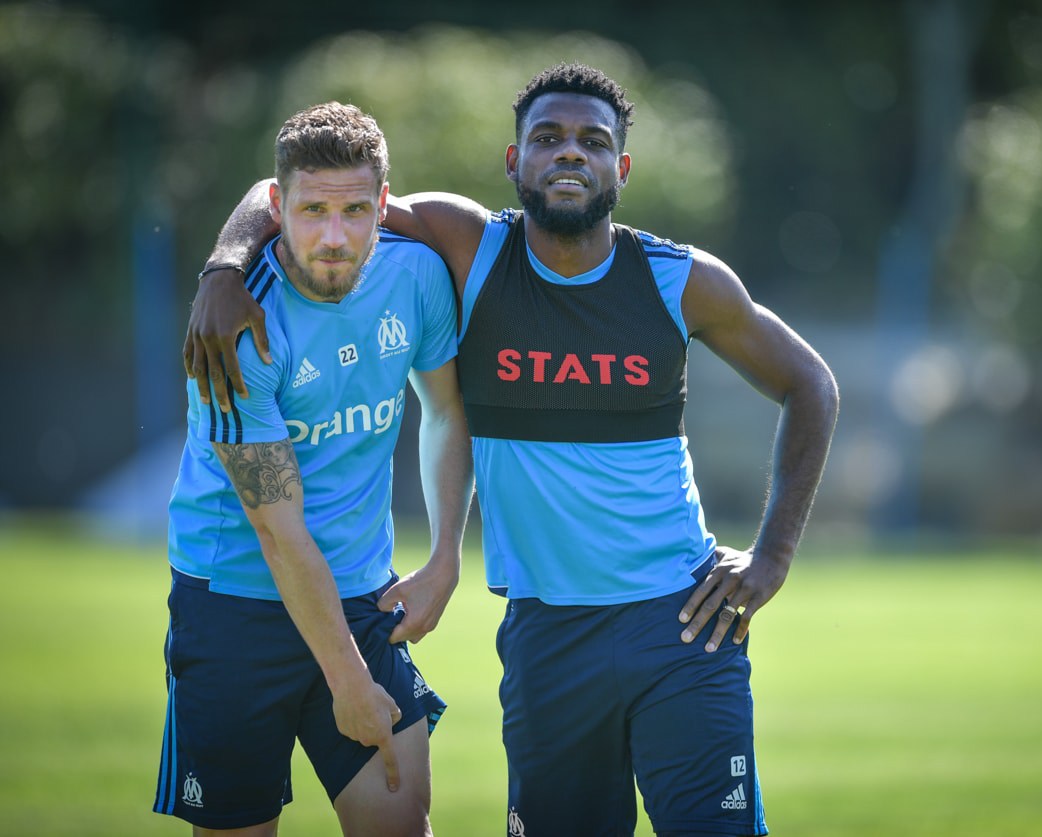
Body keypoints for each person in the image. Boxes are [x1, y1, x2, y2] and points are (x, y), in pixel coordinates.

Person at [186, 63, 838, 837]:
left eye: (593, 141)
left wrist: (772, 556)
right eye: (548, 137)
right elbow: (302, 191)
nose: (570, 153)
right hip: (545, 636)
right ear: (513, 161)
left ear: (620, 168)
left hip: (681, 625)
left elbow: (812, 385)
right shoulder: (468, 246)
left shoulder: (680, 279)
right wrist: (224, 268)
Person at [158, 101, 473, 836]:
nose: (334, 237)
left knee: (402, 822)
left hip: (362, 593)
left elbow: (449, 410)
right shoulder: (237, 330)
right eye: (312, 212)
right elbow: (279, 530)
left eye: (357, 211)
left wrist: (446, 558)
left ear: (384, 206)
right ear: (276, 206)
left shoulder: (418, 276)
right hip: (235, 603)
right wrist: (350, 683)